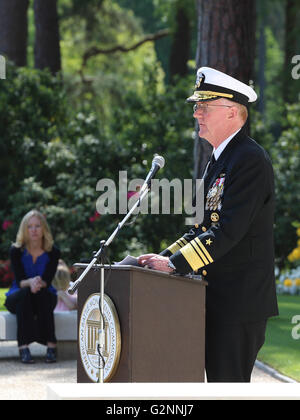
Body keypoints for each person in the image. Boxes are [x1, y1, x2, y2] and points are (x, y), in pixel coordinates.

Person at [138, 67, 279, 382]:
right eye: (195, 106)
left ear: (231, 112)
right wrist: (160, 259)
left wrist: (174, 264)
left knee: (226, 387)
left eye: (203, 106)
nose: (196, 113)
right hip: (214, 298)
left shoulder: (249, 160)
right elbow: (199, 229)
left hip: (238, 303)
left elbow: (227, 230)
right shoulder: (217, 161)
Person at [5, 210, 60, 364]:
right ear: (25, 229)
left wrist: (38, 283)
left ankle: (48, 346)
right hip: (18, 295)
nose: (34, 230)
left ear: (44, 229)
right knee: (24, 294)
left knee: (41, 293)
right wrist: (31, 282)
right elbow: (20, 280)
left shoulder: (53, 252)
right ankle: (29, 347)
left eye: (37, 226)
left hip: (44, 295)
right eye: (30, 226)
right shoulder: (16, 251)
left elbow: (47, 281)